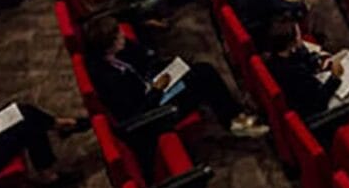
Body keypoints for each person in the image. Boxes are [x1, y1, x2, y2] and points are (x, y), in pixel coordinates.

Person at [80, 15, 267, 139]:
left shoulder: (114, 55)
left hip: (152, 87)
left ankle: (234, 115)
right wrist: (157, 90)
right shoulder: (110, 79)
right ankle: (234, 122)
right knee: (203, 78)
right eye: (118, 36)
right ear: (108, 46)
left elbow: (142, 57)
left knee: (201, 69)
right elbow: (136, 111)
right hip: (154, 113)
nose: (123, 36)